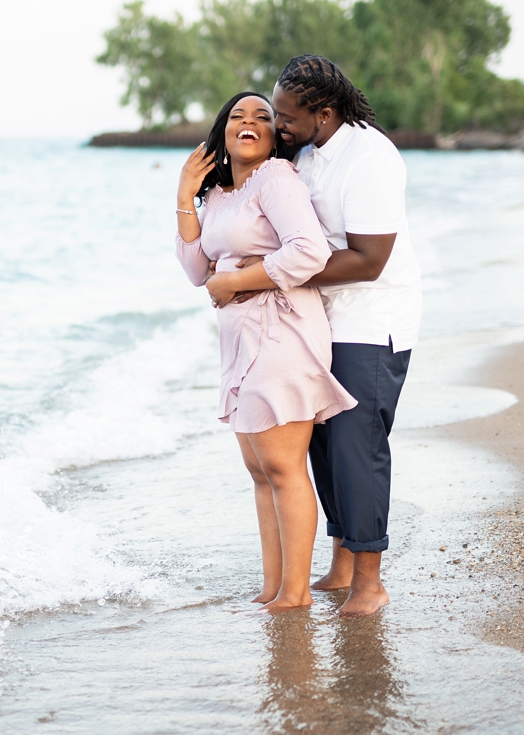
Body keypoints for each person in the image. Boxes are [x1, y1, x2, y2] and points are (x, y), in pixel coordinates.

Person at [175, 91, 357, 612]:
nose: (250, 122)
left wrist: (235, 279)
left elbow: (308, 250)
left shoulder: (276, 178)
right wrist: (186, 190)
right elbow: (194, 270)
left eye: (263, 116)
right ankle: (273, 587)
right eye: (238, 116)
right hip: (240, 339)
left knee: (282, 467)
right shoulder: (219, 196)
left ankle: (295, 594)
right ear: (223, 132)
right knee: (261, 473)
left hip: (281, 330)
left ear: (276, 135)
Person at [264, 54, 422, 617]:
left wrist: (273, 274)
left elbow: (369, 259)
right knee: (324, 445)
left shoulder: (369, 156)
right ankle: (341, 565)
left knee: (358, 448)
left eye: (286, 116)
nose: (278, 124)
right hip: (320, 318)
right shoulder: (307, 151)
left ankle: (370, 583)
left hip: (371, 319)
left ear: (323, 113)